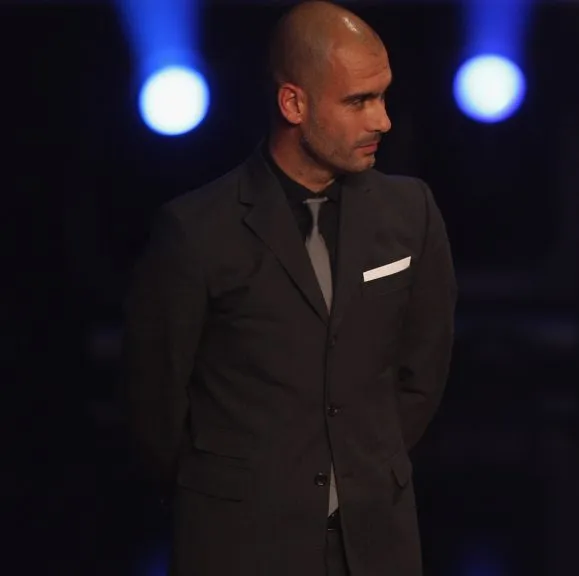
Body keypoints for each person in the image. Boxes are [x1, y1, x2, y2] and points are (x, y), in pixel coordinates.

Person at [122, 2, 456, 575]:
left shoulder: (411, 212)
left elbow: (422, 372)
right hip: (238, 544)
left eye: (383, 96)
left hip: (377, 539)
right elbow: (155, 405)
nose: (383, 121)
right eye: (358, 101)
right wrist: (238, 485)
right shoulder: (197, 230)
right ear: (294, 103)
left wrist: (363, 462)